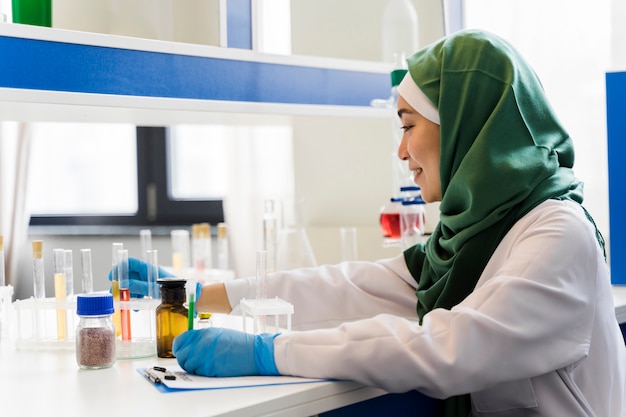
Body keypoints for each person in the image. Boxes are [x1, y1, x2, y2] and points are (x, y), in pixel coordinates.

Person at [123, 30, 626, 416]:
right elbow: (350, 286)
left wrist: (270, 351)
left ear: (467, 128)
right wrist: (198, 294)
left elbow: (447, 347)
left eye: (409, 126)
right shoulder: (475, 235)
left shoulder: (556, 234)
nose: (402, 150)